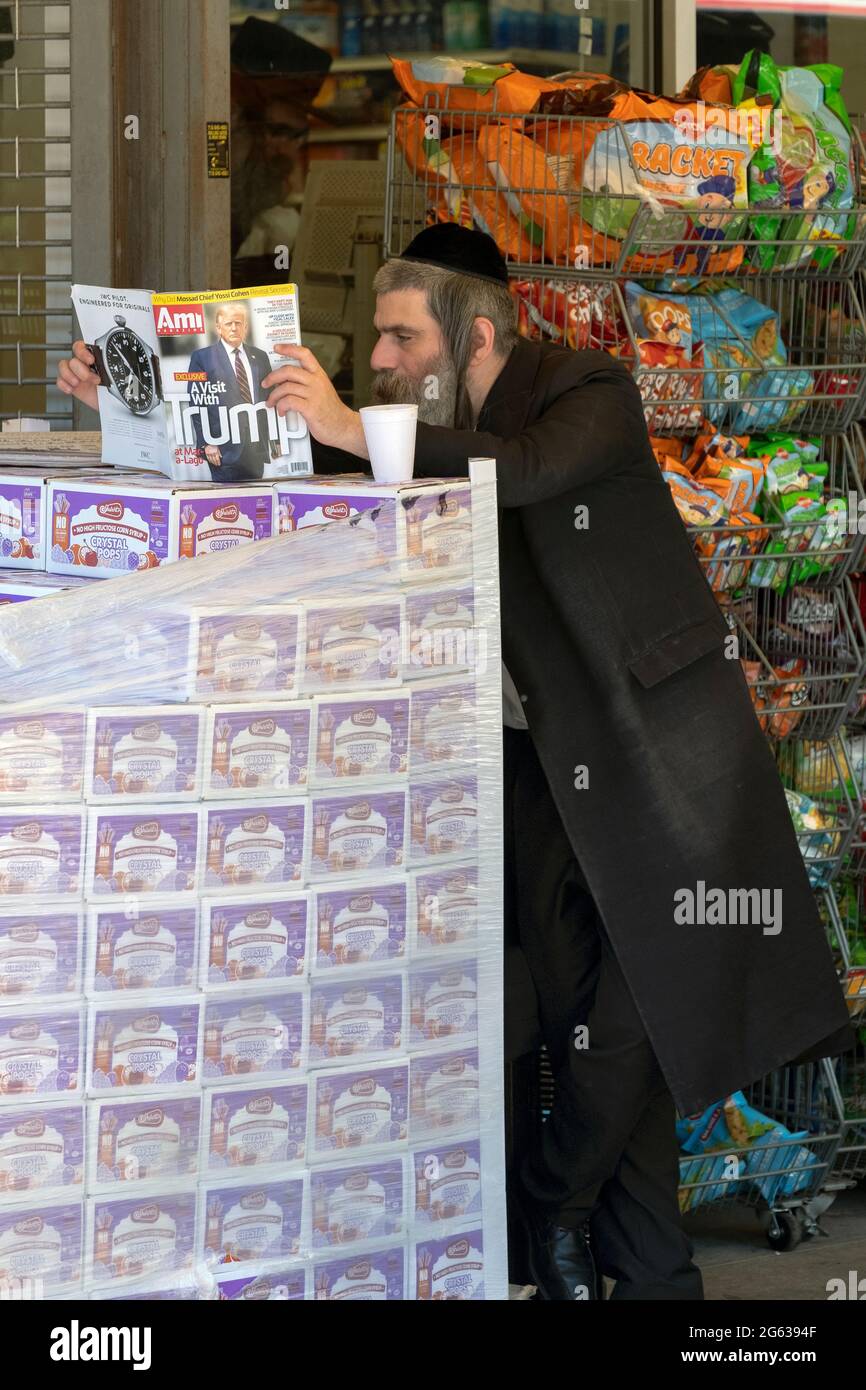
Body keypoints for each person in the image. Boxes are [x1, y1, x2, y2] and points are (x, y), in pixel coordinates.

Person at [56, 224, 853, 1302]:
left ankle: (550, 1209)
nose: (376, 361)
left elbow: (522, 472)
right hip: (533, 770)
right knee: (586, 1019)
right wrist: (128, 402)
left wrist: (352, 424)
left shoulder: (590, 388)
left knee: (629, 1019)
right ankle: (646, 1274)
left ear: (472, 333)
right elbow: (262, 454)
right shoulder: (410, 423)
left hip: (660, 763)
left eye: (397, 338)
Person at [186, 303, 274, 483]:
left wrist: (276, 439)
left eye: (238, 323)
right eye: (228, 324)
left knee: (256, 501)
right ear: (218, 328)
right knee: (226, 502)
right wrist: (206, 443)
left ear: (246, 327)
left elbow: (269, 397)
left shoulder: (260, 356)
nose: (234, 327)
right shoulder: (202, 357)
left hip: (256, 449)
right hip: (222, 451)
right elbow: (197, 403)